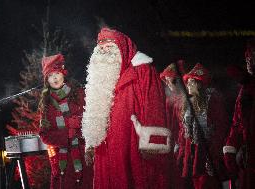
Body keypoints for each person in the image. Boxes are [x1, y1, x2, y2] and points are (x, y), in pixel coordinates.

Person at [82, 27, 171, 189]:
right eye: (101, 49)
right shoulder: (98, 80)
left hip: (132, 151)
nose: (104, 53)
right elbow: (94, 113)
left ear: (122, 50)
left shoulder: (143, 72)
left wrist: (152, 145)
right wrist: (90, 143)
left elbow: (154, 108)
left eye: (109, 48)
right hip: (104, 153)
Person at [38, 54, 92, 189]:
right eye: (50, 75)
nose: (54, 78)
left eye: (56, 73)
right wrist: (66, 133)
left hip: (85, 155)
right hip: (63, 161)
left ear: (63, 73)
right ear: (46, 80)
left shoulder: (79, 93)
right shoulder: (47, 104)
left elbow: (93, 121)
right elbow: (44, 135)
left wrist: (79, 125)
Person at [178, 63, 229, 189]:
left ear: (199, 84)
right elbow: (184, 131)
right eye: (188, 82)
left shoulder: (213, 100)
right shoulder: (188, 103)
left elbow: (220, 128)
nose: (188, 85)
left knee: (207, 183)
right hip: (193, 153)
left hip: (207, 152)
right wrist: (183, 153)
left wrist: (214, 154)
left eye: (191, 82)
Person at [223, 39, 255, 189]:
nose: (249, 61)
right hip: (248, 163)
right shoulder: (244, 89)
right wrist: (230, 148)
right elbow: (237, 122)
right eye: (248, 58)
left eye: (253, 57)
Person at [160, 60, 187, 189]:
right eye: (166, 81)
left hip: (184, 145)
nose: (167, 84)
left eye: (169, 80)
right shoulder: (170, 100)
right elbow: (169, 123)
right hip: (176, 144)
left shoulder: (187, 99)